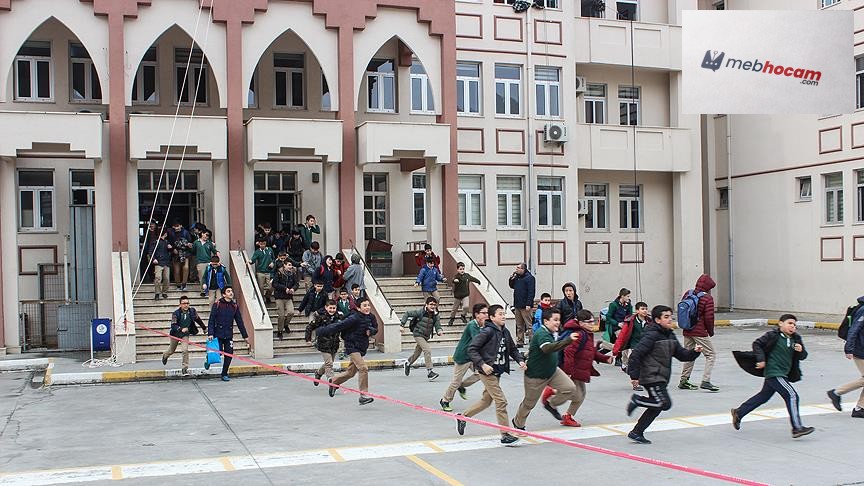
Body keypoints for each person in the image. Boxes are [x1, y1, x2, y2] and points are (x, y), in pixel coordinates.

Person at [625, 305, 702, 444]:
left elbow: (682, 355)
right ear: (657, 320)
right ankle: (637, 400)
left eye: (670, 316)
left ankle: (637, 432)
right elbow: (636, 355)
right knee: (664, 403)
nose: (669, 319)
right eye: (666, 317)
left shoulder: (670, 335)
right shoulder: (651, 335)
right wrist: (634, 376)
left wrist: (694, 352)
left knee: (657, 406)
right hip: (651, 376)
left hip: (661, 377)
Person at [731, 314, 814, 438]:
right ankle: (797, 428)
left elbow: (803, 356)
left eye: (795, 325)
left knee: (763, 396)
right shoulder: (772, 335)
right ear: (781, 323)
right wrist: (761, 359)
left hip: (784, 373)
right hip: (774, 372)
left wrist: (801, 350)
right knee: (792, 395)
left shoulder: (796, 338)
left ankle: (739, 412)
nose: (793, 326)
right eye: (790, 323)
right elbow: (757, 344)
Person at [456, 304, 526, 445]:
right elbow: (472, 349)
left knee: (486, 401)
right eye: (500, 314)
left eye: (504, 313)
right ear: (492, 317)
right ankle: (505, 434)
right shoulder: (486, 331)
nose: (503, 316)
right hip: (487, 372)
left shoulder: (505, 331)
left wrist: (520, 361)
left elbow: (512, 349)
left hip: (497, 371)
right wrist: (482, 364)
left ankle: (463, 417)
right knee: (501, 401)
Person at [512, 308, 582, 431]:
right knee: (529, 404)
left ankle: (550, 403)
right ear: (545, 321)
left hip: (552, 371)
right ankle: (518, 424)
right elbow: (548, 348)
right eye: (555, 320)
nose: (557, 322)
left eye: (559, 320)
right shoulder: (541, 333)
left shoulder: (554, 332)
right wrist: (568, 340)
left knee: (569, 388)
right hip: (536, 375)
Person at [549, 309, 614, 426]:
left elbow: (590, 352)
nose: (592, 324)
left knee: (581, 395)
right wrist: (568, 372)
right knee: (575, 394)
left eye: (593, 321)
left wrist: (605, 359)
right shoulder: (578, 334)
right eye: (589, 322)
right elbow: (568, 353)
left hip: (581, 370)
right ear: (581, 323)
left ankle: (568, 416)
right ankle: (551, 398)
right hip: (573, 370)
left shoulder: (588, 334)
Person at [317, 298, 378, 405]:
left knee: (351, 372)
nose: (367, 307)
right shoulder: (354, 318)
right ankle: (363, 395)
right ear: (359, 308)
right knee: (363, 368)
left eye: (368, 305)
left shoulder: (371, 317)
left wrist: (371, 330)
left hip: (362, 347)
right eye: (364, 305)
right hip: (352, 346)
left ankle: (334, 382)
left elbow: (375, 328)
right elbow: (339, 326)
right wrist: (323, 331)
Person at [440, 303, 488, 412]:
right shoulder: (472, 325)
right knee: (456, 382)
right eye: (484, 313)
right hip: (463, 356)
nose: (486, 315)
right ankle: (445, 400)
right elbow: (478, 340)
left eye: (487, 313)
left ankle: (462, 386)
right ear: (476, 315)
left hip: (473, 357)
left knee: (480, 373)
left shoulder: (482, 325)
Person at [679, 274, 720, 392]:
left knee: (689, 354)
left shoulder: (688, 293)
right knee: (710, 355)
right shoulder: (707, 298)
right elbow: (709, 317)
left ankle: (684, 380)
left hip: (687, 329)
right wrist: (710, 331)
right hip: (700, 331)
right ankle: (706, 381)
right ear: (708, 287)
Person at [828, 296, 864, 418]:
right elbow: (854, 329)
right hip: (860, 350)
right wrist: (849, 348)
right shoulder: (863, 309)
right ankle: (836, 392)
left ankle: (860, 408)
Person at [206, 286, 250, 382]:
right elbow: (211, 320)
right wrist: (210, 333)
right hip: (218, 333)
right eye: (228, 291)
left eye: (231, 291)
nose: (231, 293)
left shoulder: (234, 306)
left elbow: (239, 322)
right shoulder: (217, 305)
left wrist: (245, 336)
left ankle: (224, 373)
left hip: (228, 334)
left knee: (229, 354)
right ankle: (208, 360)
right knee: (218, 352)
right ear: (224, 294)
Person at [161, 295, 206, 375]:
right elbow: (173, 325)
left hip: (185, 334)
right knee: (171, 350)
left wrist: (204, 328)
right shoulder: (176, 313)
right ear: (180, 305)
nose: (186, 305)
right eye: (184, 303)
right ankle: (165, 356)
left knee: (185, 350)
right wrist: (180, 329)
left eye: (187, 303)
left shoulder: (192, 311)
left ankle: (185, 368)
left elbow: (198, 319)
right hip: (175, 334)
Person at [401, 297, 443, 381]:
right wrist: (402, 325)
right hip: (418, 334)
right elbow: (407, 313)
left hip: (426, 336)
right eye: (431, 304)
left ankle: (408, 363)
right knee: (427, 350)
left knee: (417, 353)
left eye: (434, 305)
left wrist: (439, 330)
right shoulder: (420, 312)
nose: (433, 306)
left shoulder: (435, 315)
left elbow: (437, 325)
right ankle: (430, 372)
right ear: (426, 304)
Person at [305, 300, 344, 386]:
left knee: (329, 363)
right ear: (326, 308)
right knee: (329, 363)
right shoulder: (321, 318)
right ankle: (331, 379)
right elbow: (309, 327)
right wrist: (308, 339)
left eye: (334, 308)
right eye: (330, 308)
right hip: (324, 343)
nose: (332, 310)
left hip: (335, 343)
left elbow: (344, 327)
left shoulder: (339, 317)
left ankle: (318, 373)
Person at [614, 301, 650, 391]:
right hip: (635, 347)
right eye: (642, 309)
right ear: (637, 311)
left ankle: (627, 369)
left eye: (646, 309)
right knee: (636, 366)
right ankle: (635, 384)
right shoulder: (630, 322)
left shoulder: (650, 321)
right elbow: (622, 335)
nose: (645, 311)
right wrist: (616, 349)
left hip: (646, 347)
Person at [508, 263, 536, 347]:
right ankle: (520, 341)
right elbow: (512, 286)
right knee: (519, 325)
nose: (516, 269)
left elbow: (531, 292)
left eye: (518, 268)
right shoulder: (517, 278)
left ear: (523, 269)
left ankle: (532, 341)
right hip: (517, 304)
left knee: (529, 325)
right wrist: (511, 279)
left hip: (525, 305)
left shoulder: (530, 278)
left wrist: (529, 303)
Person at [601, 288, 633, 361]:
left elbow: (629, 316)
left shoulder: (628, 304)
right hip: (616, 326)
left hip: (625, 326)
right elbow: (608, 317)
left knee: (624, 343)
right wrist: (617, 323)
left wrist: (629, 306)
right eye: (627, 296)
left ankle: (602, 345)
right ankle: (625, 360)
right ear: (622, 296)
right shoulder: (613, 305)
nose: (628, 298)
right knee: (624, 343)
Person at [271, 259, 299, 339]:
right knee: (281, 315)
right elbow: (274, 284)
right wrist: (284, 288)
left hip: (288, 297)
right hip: (279, 297)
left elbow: (296, 284)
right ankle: (280, 331)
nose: (291, 267)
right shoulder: (279, 273)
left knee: (291, 312)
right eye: (289, 265)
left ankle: (285, 324)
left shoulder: (293, 274)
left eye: (291, 265)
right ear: (285, 265)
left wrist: (293, 289)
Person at [167, 220, 194, 290]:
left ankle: (184, 284)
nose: (176, 228)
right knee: (176, 270)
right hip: (175, 253)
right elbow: (168, 242)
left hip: (185, 252)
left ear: (181, 226)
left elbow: (190, 241)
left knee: (186, 268)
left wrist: (189, 245)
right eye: (175, 226)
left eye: (178, 226)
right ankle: (178, 285)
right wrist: (173, 249)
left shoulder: (186, 232)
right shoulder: (170, 232)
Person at [147, 230, 172, 299]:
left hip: (166, 262)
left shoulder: (167, 242)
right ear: (165, 234)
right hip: (159, 262)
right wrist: (153, 259)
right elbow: (150, 251)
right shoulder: (156, 241)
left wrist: (170, 248)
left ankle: (164, 292)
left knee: (167, 278)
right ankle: (157, 293)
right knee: (158, 278)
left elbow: (169, 251)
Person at [251, 239, 276, 304]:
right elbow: (253, 259)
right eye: (261, 244)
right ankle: (261, 300)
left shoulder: (270, 250)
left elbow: (273, 258)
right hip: (260, 272)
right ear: (259, 244)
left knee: (271, 287)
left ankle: (267, 296)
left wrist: (272, 263)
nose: (262, 245)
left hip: (268, 272)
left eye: (264, 244)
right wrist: (250, 261)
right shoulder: (257, 252)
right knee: (261, 287)